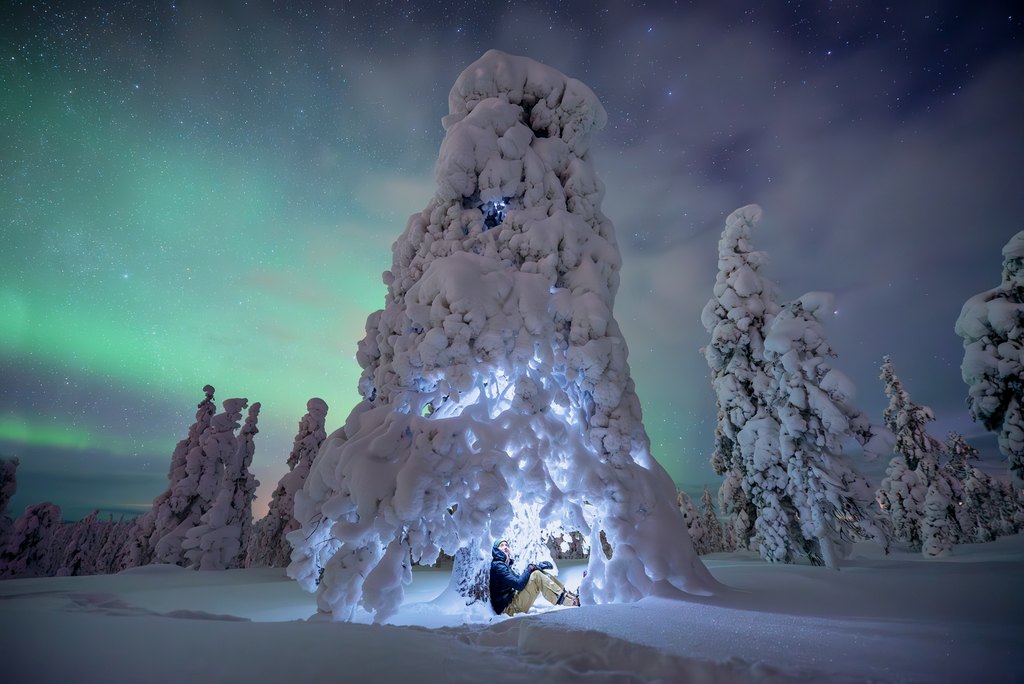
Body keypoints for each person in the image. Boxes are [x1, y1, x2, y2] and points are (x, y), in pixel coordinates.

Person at [489, 539, 580, 616]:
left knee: (536, 573)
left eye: (506, 545)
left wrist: (537, 567)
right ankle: (568, 602)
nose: (505, 547)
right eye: (501, 545)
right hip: (508, 610)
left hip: (512, 602)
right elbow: (518, 584)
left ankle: (568, 596)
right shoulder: (498, 566)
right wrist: (530, 568)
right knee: (536, 575)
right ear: (496, 550)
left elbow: (520, 580)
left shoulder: (503, 565)